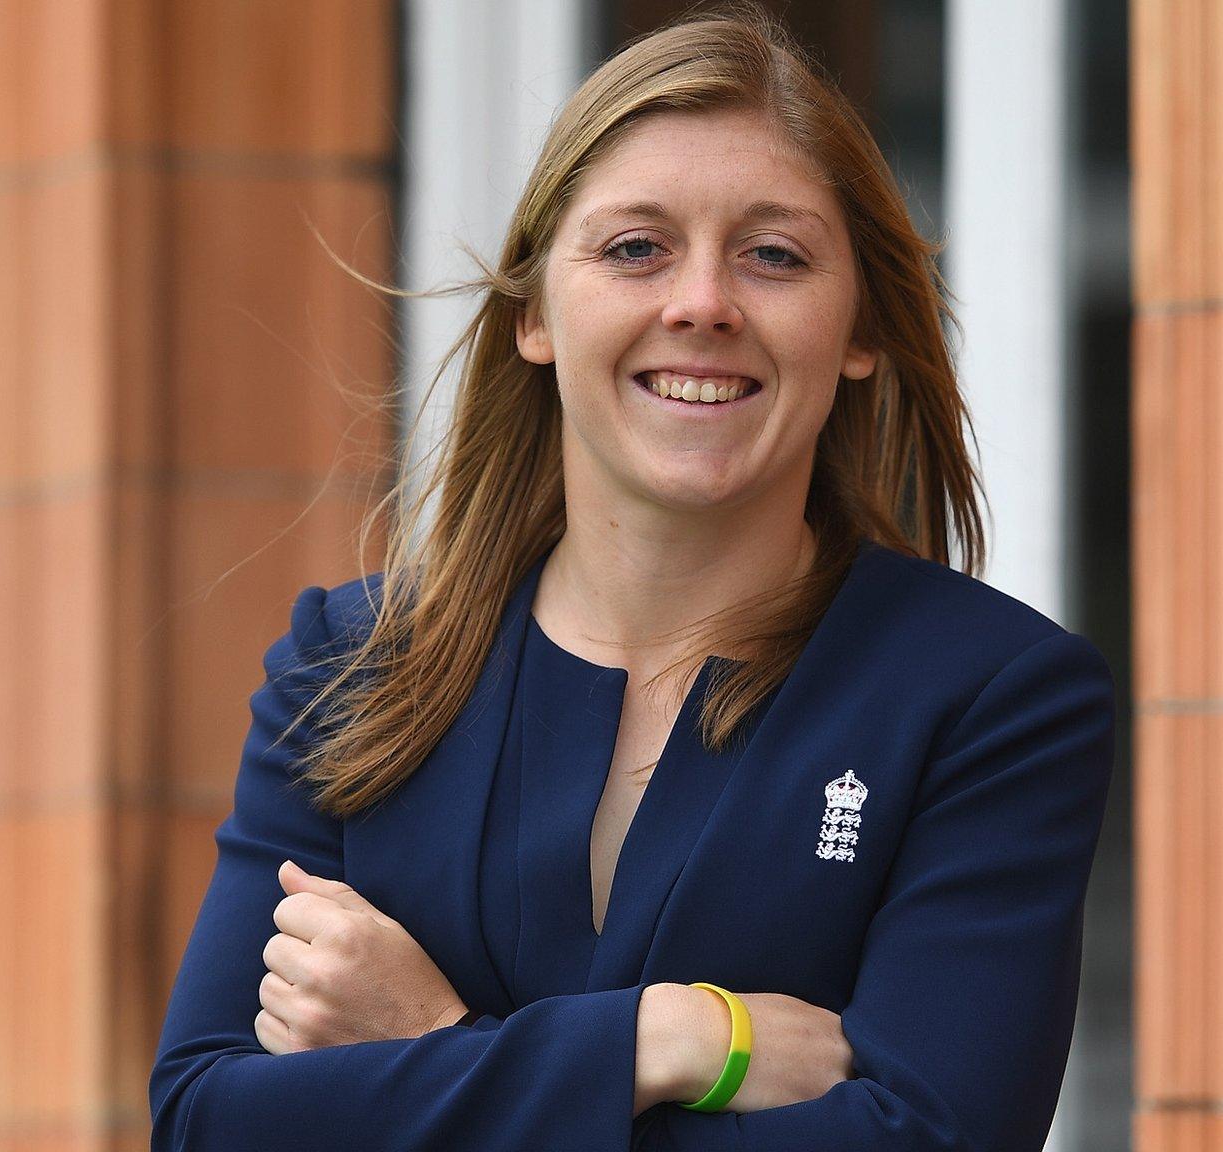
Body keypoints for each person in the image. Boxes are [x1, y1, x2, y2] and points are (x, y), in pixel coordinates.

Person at [148, 6, 1116, 1149]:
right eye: (633, 248)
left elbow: (922, 1142)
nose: (700, 301)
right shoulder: (352, 671)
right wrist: (669, 1042)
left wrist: (432, 1037)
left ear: (858, 327)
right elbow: (207, 1120)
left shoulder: (987, 700)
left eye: (773, 254)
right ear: (533, 317)